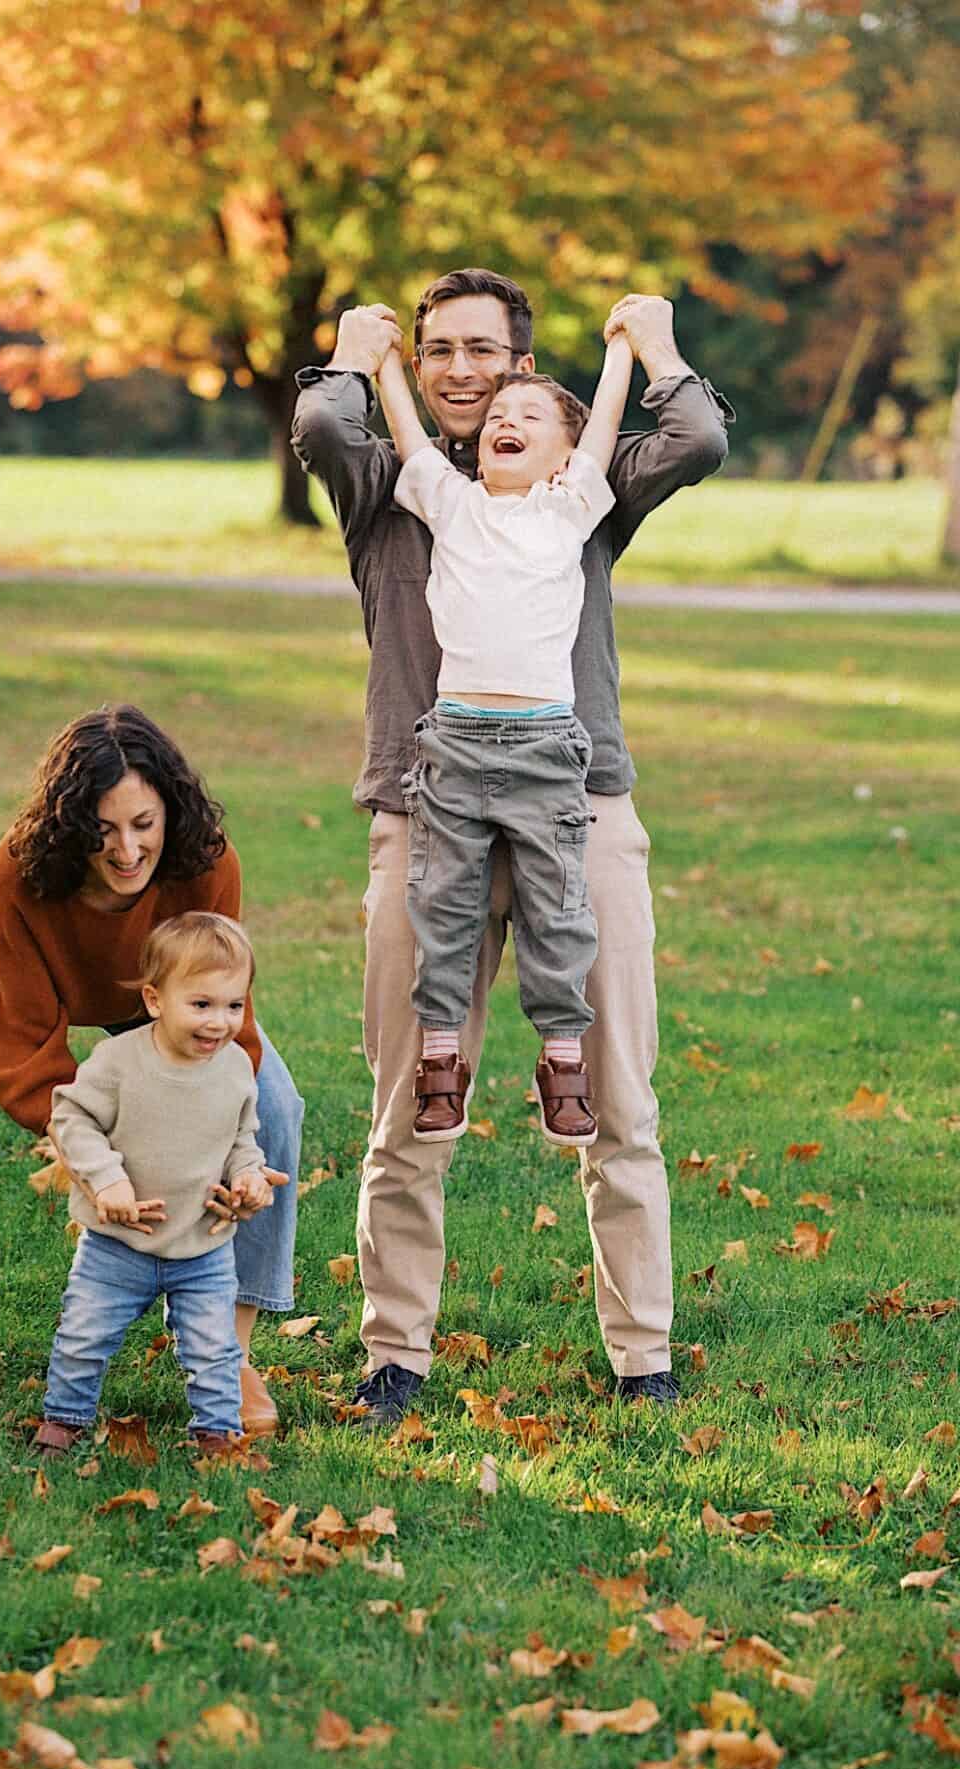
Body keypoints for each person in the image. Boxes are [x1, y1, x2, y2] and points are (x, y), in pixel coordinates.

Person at [292, 274, 731, 1425]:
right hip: (421, 811)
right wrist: (352, 350)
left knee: (617, 1097)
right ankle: (396, 1352)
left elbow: (693, 436)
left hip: (576, 809)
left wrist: (653, 344)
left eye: (482, 350)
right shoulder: (387, 485)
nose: (457, 369)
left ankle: (643, 1355)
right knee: (407, 1105)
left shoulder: (576, 488)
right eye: (435, 348)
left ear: (523, 368)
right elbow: (327, 421)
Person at [0, 706, 302, 1437]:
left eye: (143, 824)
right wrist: (95, 1147)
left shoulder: (207, 862)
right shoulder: (20, 872)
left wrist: (227, 1141)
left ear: (170, 813)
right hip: (0, 972)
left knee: (276, 1108)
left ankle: (231, 1351)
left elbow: (226, 1008)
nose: (127, 850)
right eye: (103, 830)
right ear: (72, 825)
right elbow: (24, 1045)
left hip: (164, 993)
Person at [363, 319, 637, 1147]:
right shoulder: (453, 507)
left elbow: (607, 425)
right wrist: (381, 366)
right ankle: (441, 1061)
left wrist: (621, 350)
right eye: (497, 417)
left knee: (559, 912)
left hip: (547, 750)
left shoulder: (571, 509)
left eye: (530, 414)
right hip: (452, 746)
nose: (505, 421)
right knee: (441, 907)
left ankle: (561, 1059)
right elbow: (410, 436)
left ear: (567, 452)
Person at [36, 913, 269, 1455]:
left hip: (203, 1246)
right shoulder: (120, 1061)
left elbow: (241, 1137)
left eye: (234, 1006)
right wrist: (106, 1181)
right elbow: (71, 1117)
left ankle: (217, 1435)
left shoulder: (235, 1067)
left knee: (215, 1350)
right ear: (156, 999)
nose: (219, 1022)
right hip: (117, 1244)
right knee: (84, 1335)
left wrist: (249, 1178)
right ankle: (64, 1422)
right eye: (202, 1005)